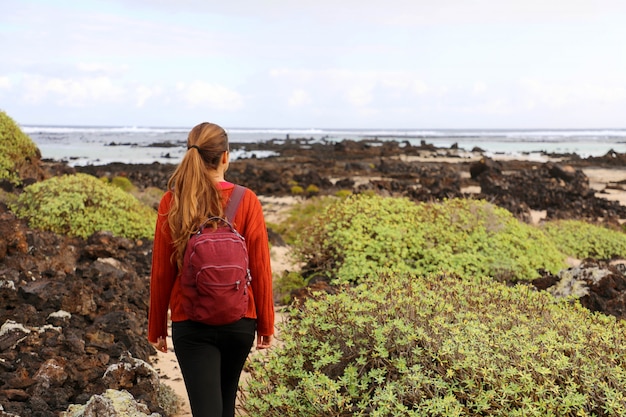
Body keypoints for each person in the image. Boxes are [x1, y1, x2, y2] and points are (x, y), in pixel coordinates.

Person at [148, 122, 274, 417]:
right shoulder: (247, 200)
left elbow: (162, 270)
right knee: (224, 408)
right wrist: (265, 324)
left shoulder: (173, 200)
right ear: (225, 157)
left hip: (190, 321)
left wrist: (157, 327)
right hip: (241, 319)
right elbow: (261, 268)